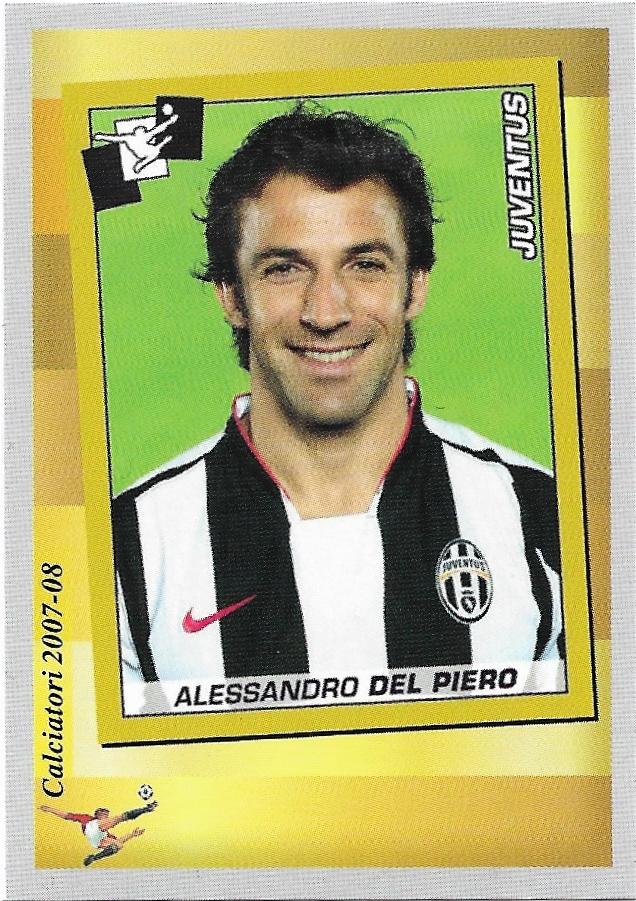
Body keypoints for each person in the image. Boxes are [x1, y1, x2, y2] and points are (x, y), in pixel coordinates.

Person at [112, 103, 563, 690]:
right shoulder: (127, 549)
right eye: (284, 269)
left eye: (365, 265)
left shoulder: (544, 518)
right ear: (230, 295)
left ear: (415, 286)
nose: (326, 313)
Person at [39, 801, 158, 865]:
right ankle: (145, 809)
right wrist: (50, 809)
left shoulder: (106, 833)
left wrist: (132, 834)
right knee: (118, 818)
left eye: (107, 814)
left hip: (96, 841)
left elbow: (119, 841)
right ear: (97, 814)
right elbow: (66, 815)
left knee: (119, 845)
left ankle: (94, 858)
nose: (106, 815)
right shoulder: (87, 818)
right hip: (92, 828)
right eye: (103, 813)